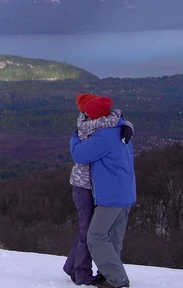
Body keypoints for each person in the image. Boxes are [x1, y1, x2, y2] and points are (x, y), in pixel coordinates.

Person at [63, 94, 133, 286]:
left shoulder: (104, 135)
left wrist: (74, 136)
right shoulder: (119, 128)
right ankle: (104, 275)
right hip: (125, 191)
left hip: (110, 194)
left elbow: (80, 154)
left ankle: (116, 280)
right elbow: (122, 121)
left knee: (95, 236)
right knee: (112, 237)